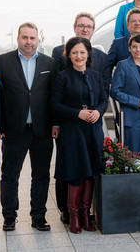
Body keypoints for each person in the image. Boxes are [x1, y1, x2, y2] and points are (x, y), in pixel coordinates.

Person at [0, 22, 57, 232]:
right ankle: (9, 217)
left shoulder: (50, 62)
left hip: (42, 129)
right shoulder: (2, 62)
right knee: (10, 175)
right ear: (18, 39)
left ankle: (38, 216)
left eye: (32, 38)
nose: (28, 42)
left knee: (41, 175)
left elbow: (54, 97)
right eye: (25, 38)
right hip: (13, 129)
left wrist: (56, 123)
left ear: (38, 39)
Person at [51, 12, 111, 225]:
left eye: (82, 53)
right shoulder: (62, 77)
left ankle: (86, 215)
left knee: (91, 171)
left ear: (88, 55)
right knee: (75, 171)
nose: (79, 56)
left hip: (92, 128)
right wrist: (77, 113)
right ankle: (73, 215)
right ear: (69, 55)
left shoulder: (95, 74)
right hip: (73, 129)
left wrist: (98, 111)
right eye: (74, 53)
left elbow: (104, 99)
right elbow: (55, 104)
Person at [110, 34, 140, 153]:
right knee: (132, 154)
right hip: (131, 115)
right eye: (134, 47)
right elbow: (115, 92)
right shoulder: (123, 65)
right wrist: (138, 102)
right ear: (129, 48)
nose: (138, 50)